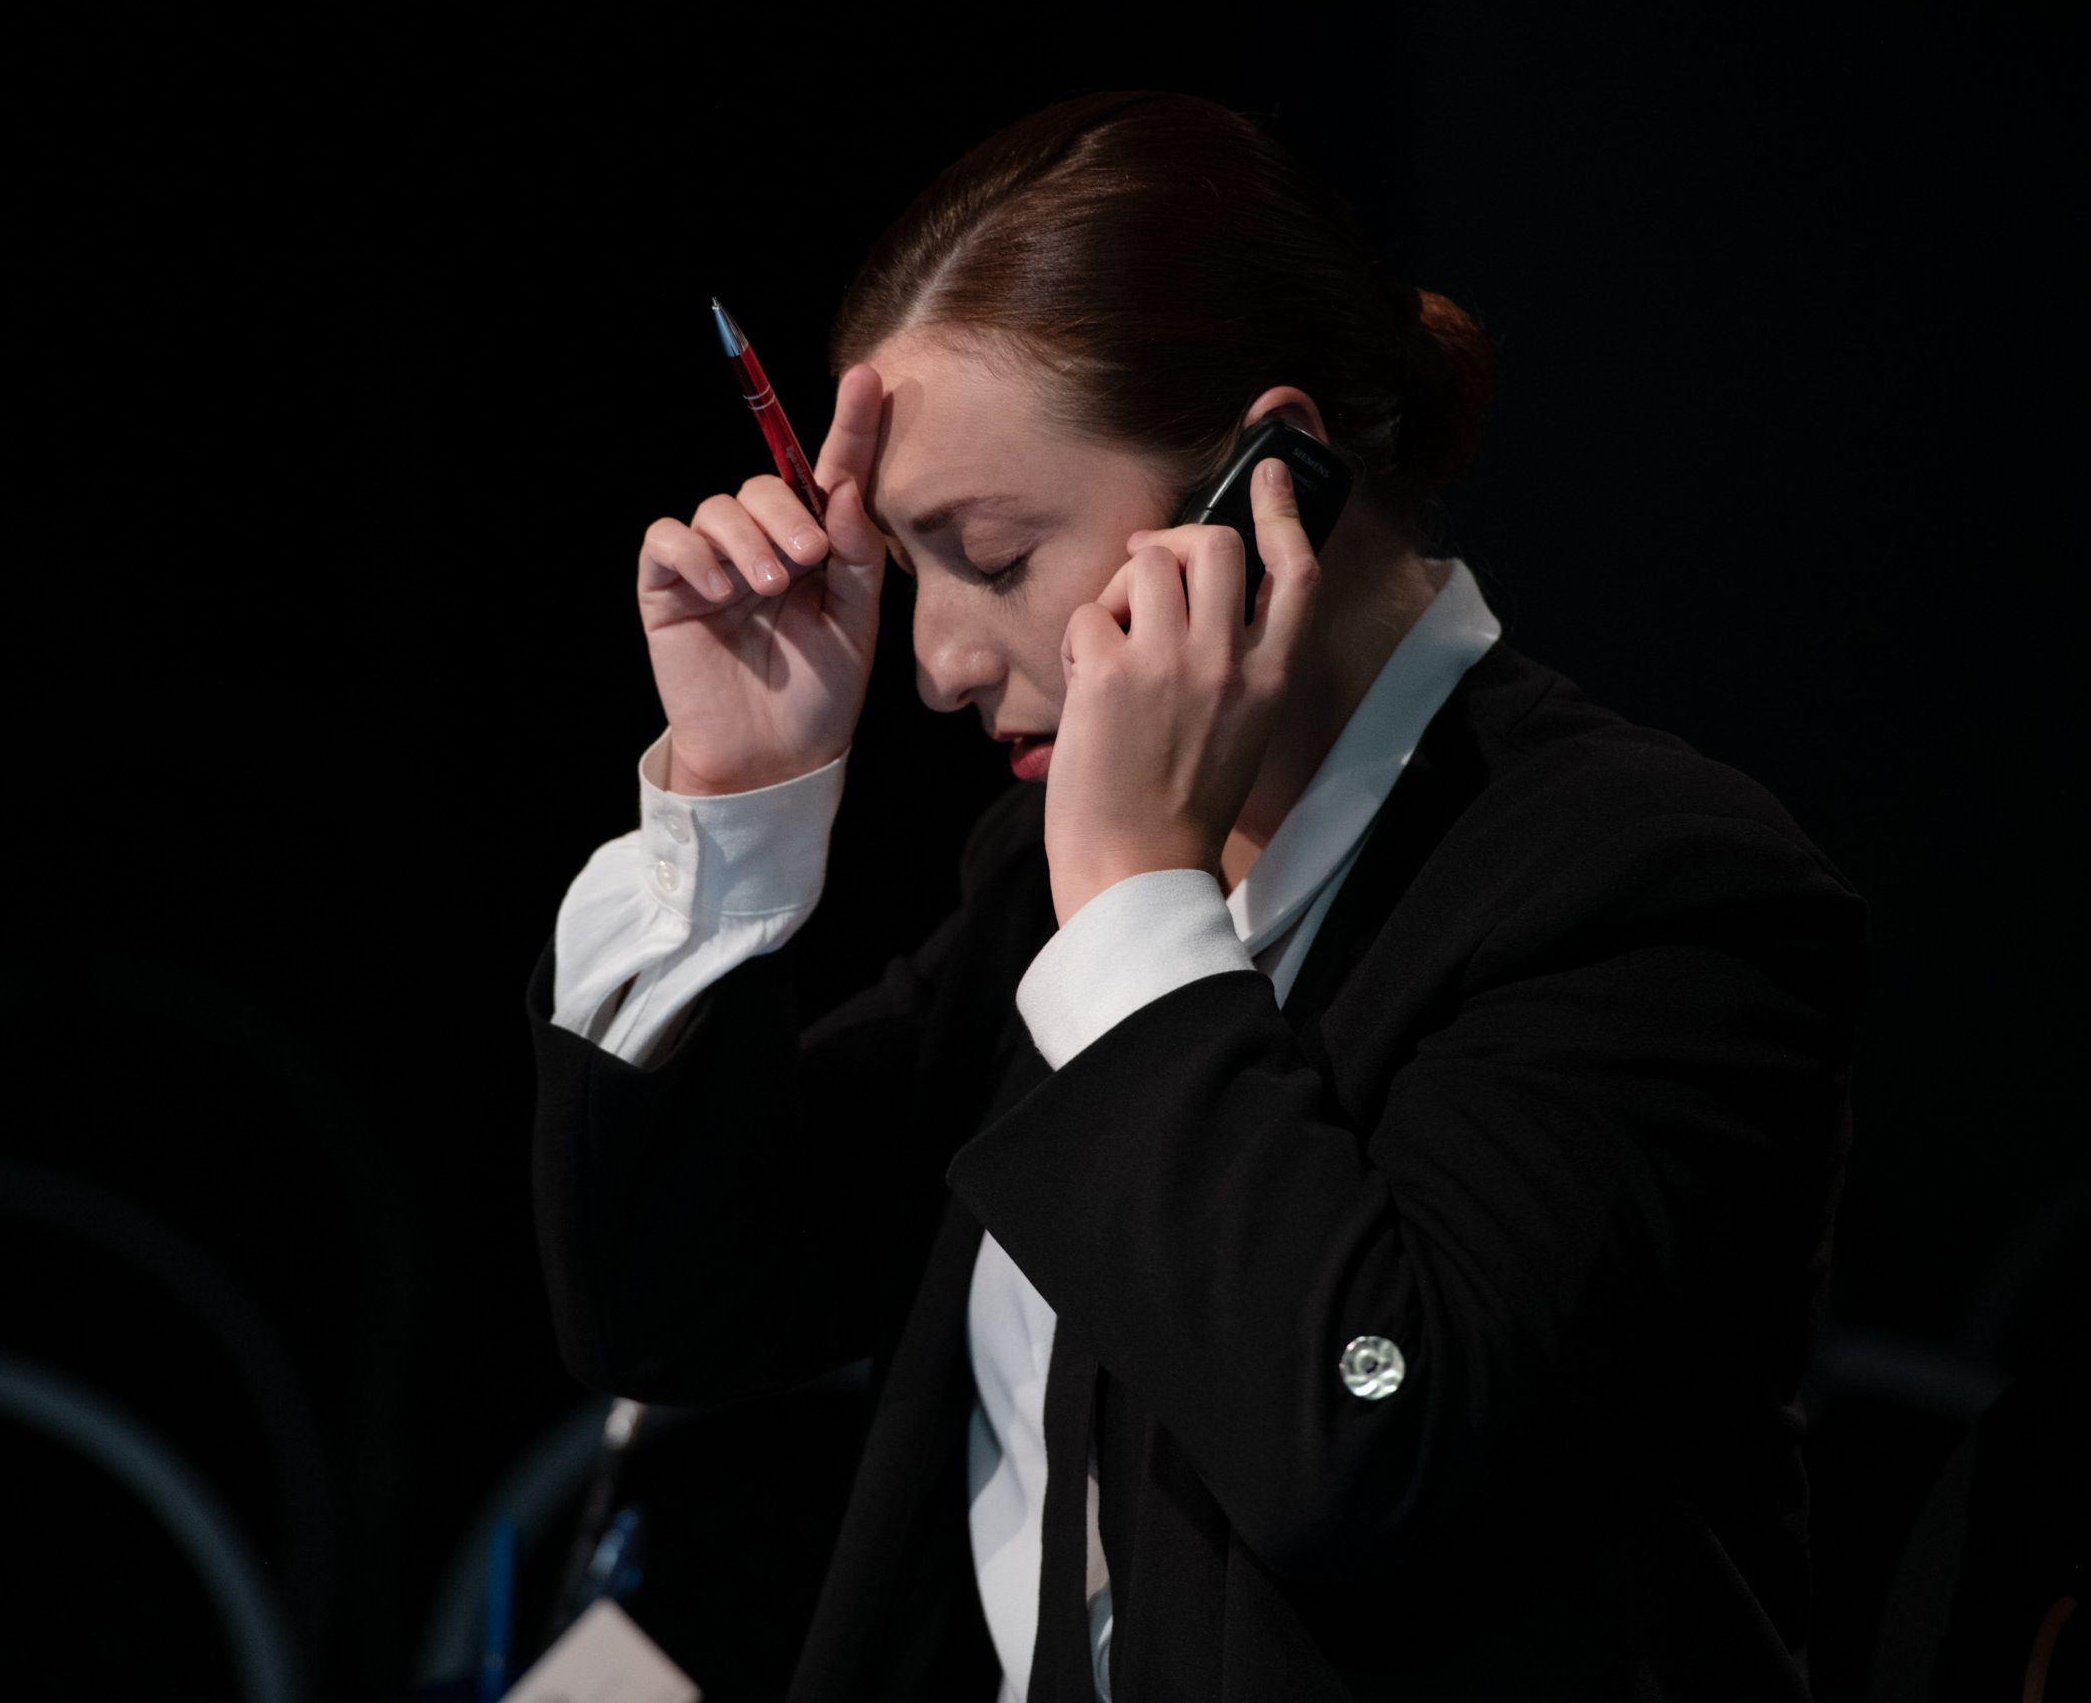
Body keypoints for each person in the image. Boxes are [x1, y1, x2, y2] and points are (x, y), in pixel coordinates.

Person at [524, 89, 1871, 1701]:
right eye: (907, 564)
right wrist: (729, 799)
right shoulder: (1043, 882)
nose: (935, 665)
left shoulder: (1646, 886)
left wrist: (1134, 910)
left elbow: (1361, 1448)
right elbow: (682, 1310)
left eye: (992, 557)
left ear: (1267, 477)